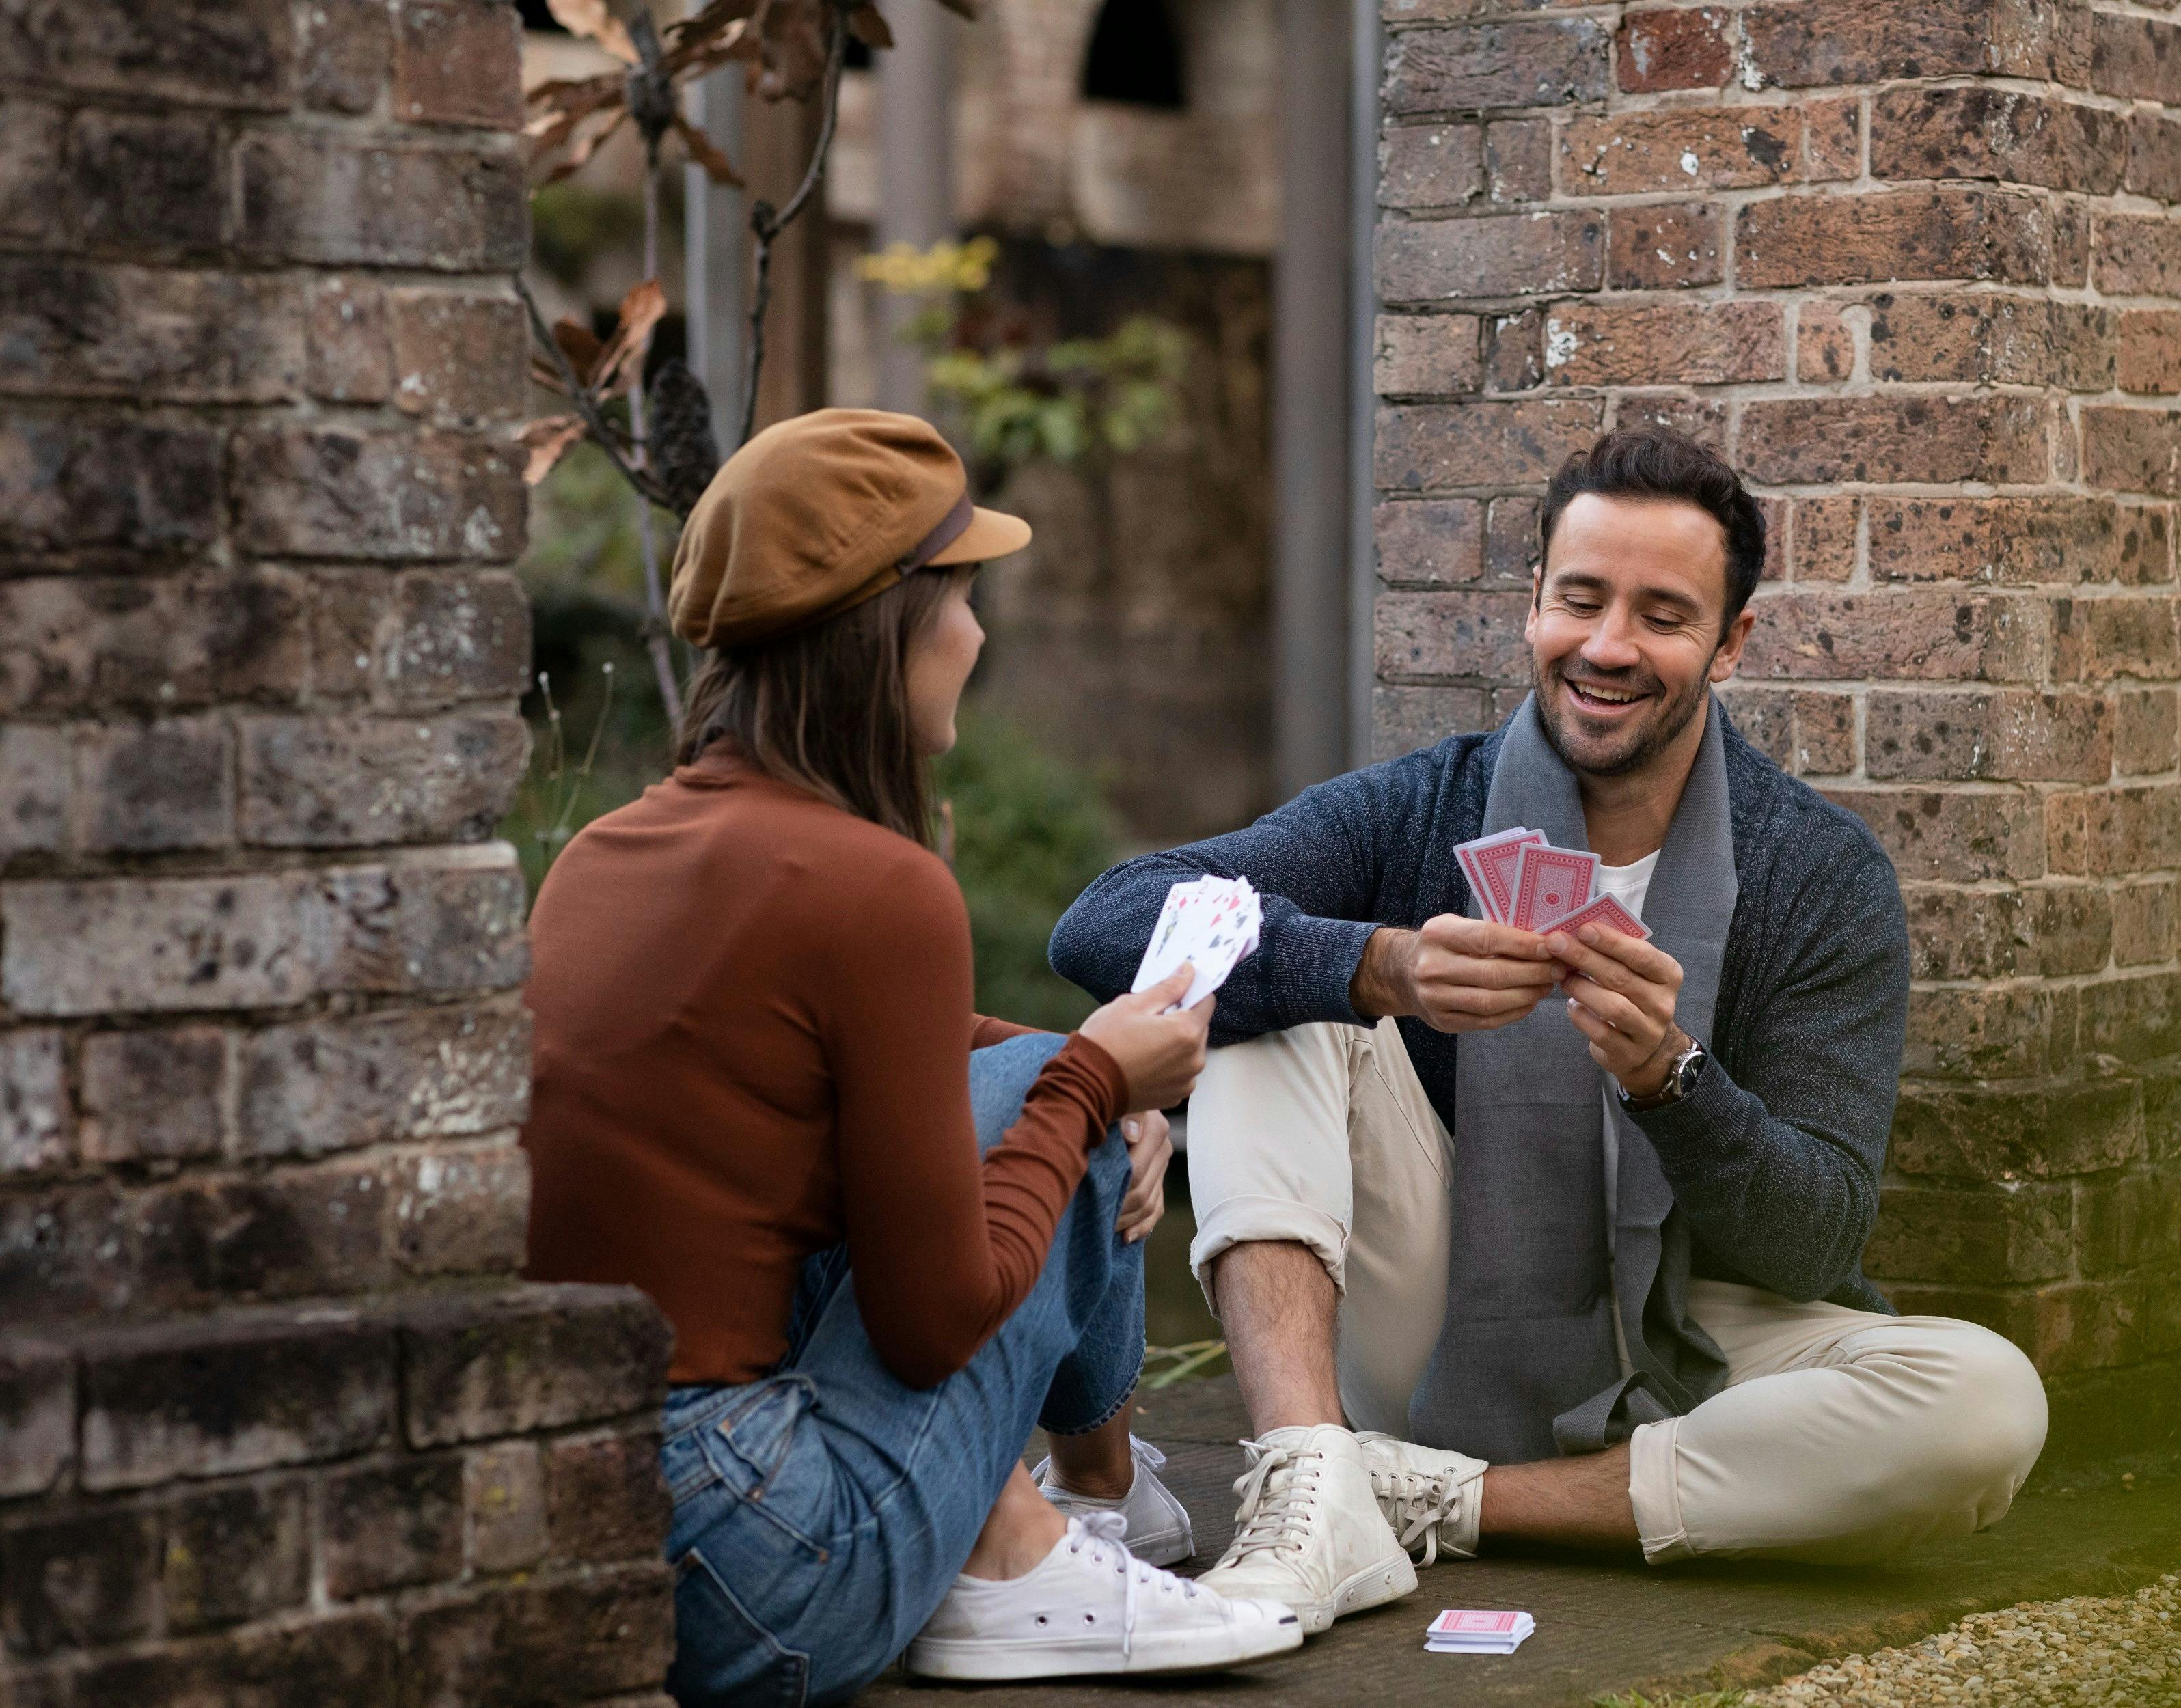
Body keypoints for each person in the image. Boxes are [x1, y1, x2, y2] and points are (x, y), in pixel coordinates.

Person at [1050, 426, 2051, 1630]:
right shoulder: (1425, 804)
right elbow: (1103, 923)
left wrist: (1675, 1081)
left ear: (1729, 644)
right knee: (1265, 985)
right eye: (1579, 600)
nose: (1608, 646)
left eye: (1662, 616)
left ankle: (1432, 1499)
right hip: (1432, 1292)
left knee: (1984, 1404)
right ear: (1531, 605)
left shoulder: (1819, 874)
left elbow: (1812, 1238)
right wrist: (1381, 964)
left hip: (1685, 1324)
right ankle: (1310, 1479)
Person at [519, 410, 1303, 1702]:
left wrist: (1071, 1062)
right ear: (888, 626)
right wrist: (1095, 1085)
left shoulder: (607, 854)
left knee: (1036, 1070)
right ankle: (1043, 1541)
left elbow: (833, 1052)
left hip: (600, 1536)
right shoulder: (875, 887)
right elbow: (933, 1322)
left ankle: (1068, 1515)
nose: (978, 638)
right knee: (1059, 1092)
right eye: (964, 599)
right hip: (774, 1569)